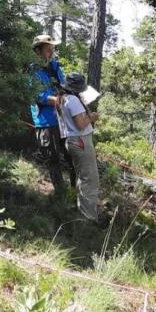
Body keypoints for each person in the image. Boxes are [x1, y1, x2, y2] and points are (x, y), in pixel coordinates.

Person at [28, 34, 72, 190]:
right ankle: (61, 195)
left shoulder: (55, 67)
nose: (51, 52)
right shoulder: (32, 71)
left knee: (71, 156)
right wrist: (55, 100)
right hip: (46, 122)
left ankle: (75, 192)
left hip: (63, 119)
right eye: (48, 49)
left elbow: (65, 86)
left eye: (52, 49)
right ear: (38, 51)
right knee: (53, 160)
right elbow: (36, 95)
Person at [58, 72, 103, 224]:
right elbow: (81, 124)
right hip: (80, 140)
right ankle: (88, 217)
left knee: (83, 176)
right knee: (90, 179)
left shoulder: (62, 98)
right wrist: (92, 117)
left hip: (72, 140)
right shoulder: (73, 101)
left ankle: (83, 210)